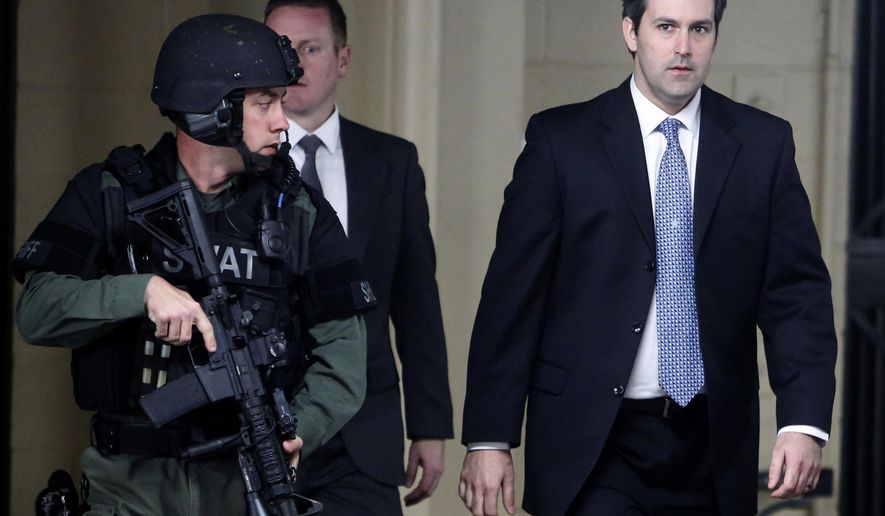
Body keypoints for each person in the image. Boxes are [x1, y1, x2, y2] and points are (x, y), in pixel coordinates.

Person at [457, 0, 837, 514]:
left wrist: (803, 422)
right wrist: (489, 436)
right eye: (666, 27)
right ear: (631, 32)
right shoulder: (562, 142)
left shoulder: (763, 144)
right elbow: (513, 297)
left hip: (712, 440)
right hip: (595, 441)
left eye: (699, 29)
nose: (683, 46)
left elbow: (796, 296)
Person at [13, 13, 368, 515]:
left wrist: (296, 433)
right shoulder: (109, 192)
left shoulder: (299, 211)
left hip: (241, 485)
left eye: (280, 103)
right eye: (264, 103)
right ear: (213, 110)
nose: (281, 122)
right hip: (130, 486)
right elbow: (37, 309)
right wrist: (139, 292)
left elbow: (346, 359)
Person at [263, 1, 454, 514]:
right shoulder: (235, 163)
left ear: (342, 59)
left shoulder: (392, 161)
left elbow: (416, 300)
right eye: (283, 50)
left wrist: (429, 425)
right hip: (260, 428)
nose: (296, 64)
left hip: (363, 433)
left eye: (311, 48)